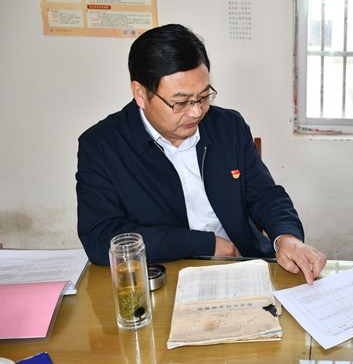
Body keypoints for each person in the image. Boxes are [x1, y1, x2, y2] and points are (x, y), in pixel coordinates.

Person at [77, 23, 326, 284]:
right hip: (165, 275)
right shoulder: (102, 146)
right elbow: (101, 238)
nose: (196, 112)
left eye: (204, 96)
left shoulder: (228, 127)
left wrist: (286, 236)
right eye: (181, 102)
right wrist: (206, 244)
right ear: (141, 93)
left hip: (244, 265)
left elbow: (264, 194)